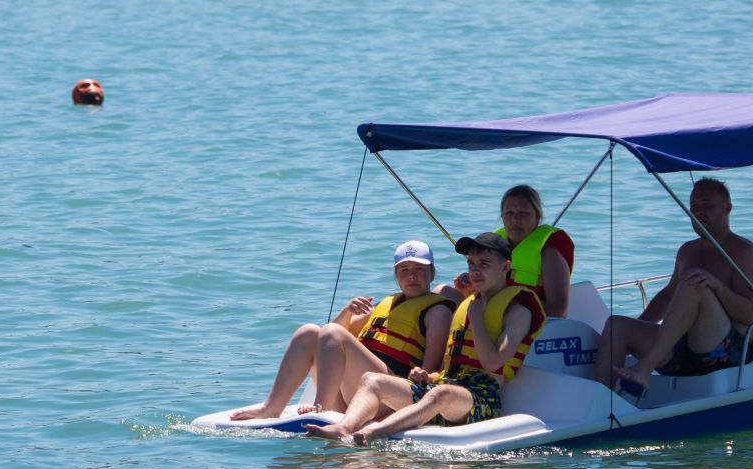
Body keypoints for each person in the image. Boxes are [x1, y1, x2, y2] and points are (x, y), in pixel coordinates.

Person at [306, 232, 542, 445]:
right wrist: (427, 375)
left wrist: (477, 319)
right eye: (471, 263)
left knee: (441, 394)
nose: (475, 271)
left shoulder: (518, 310)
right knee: (372, 380)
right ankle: (344, 428)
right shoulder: (472, 303)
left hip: (481, 397)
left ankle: (372, 433)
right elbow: (447, 367)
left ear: (505, 266)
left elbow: (493, 363)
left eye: (484, 264)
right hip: (444, 384)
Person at [228, 241, 454, 420]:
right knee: (308, 331)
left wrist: (423, 374)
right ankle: (272, 408)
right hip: (352, 395)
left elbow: (431, 369)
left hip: (389, 398)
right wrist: (347, 311)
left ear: (432, 273)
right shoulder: (387, 304)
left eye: (419, 269)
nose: (412, 276)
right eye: (404, 269)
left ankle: (321, 408)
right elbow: (327, 341)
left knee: (332, 332)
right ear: (396, 275)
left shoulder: (438, 311)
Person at [594, 178, 753, 394]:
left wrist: (717, 287)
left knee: (695, 285)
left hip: (725, 353)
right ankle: (600, 402)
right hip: (681, 350)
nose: (699, 211)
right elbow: (667, 296)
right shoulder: (687, 251)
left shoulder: (745, 252)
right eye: (694, 205)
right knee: (617, 325)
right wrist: (637, 332)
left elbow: (749, 314)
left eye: (707, 204)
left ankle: (645, 369)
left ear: (727, 209)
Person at [441, 184, 574, 318]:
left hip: (522, 322)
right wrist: (470, 286)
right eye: (509, 213)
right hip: (490, 310)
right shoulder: (494, 243)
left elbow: (558, 309)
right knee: (442, 292)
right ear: (502, 216)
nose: (515, 219)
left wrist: (512, 317)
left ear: (537, 216)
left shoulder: (549, 252)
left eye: (523, 213)